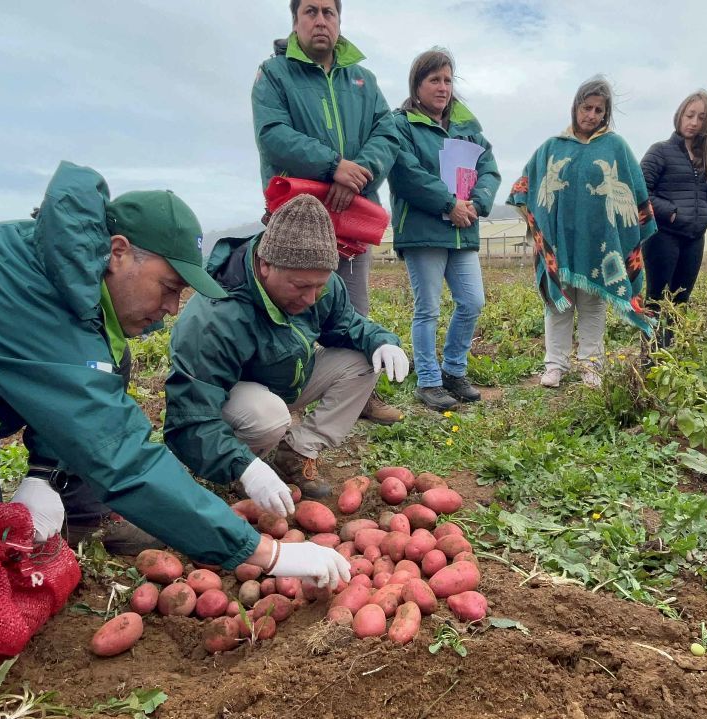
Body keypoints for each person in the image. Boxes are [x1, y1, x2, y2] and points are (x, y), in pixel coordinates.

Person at [0, 162, 350, 618]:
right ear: (119, 251)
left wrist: (41, 477)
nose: (172, 308)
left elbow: (83, 390)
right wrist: (265, 553)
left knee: (111, 366)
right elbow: (122, 457)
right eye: (169, 286)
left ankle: (79, 508)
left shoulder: (63, 273)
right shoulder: (16, 295)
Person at [164, 195, 409, 500]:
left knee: (363, 361)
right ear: (266, 265)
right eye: (300, 286)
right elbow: (191, 415)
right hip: (231, 398)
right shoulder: (215, 316)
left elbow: (346, 326)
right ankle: (239, 468)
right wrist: (243, 467)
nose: (311, 297)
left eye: (319, 286)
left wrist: (381, 341)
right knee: (269, 417)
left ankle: (296, 452)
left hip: (285, 379)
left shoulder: (320, 284)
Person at [251, 0, 402, 424]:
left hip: (350, 211)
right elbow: (273, 135)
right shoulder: (274, 74)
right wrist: (332, 165)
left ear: (339, 20)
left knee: (353, 303)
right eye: (311, 12)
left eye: (329, 13)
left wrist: (358, 171)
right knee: (289, 297)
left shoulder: (363, 80)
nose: (321, 20)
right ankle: (280, 394)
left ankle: (360, 391)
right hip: (297, 212)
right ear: (295, 20)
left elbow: (387, 132)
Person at [507, 77, 657, 388]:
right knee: (558, 304)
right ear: (575, 107)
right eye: (586, 108)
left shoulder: (616, 147)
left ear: (606, 114)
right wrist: (540, 228)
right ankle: (555, 366)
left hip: (599, 245)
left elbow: (634, 189)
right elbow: (525, 187)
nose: (591, 115)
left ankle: (592, 366)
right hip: (560, 242)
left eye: (598, 110)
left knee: (593, 305)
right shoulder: (552, 148)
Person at [387, 48, 501, 411]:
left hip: (462, 231)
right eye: (434, 80)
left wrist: (477, 204)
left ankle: (453, 370)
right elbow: (406, 173)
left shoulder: (468, 130)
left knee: (472, 301)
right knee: (429, 308)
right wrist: (447, 204)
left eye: (448, 80)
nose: (442, 87)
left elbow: (489, 170)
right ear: (417, 85)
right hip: (424, 230)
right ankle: (429, 380)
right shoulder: (400, 124)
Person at [640, 90, 707, 348]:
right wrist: (671, 212)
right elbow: (641, 191)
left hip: (693, 238)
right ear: (680, 116)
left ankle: (672, 351)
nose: (694, 122)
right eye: (690, 115)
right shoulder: (660, 151)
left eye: (701, 117)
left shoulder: (704, 159)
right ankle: (651, 354)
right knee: (656, 299)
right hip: (662, 236)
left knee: (681, 300)